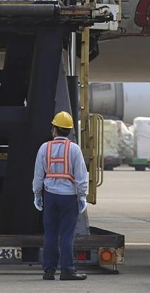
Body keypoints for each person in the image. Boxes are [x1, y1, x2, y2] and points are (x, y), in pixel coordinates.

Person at [32, 111, 89, 281]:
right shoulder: (74, 149)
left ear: (54, 130)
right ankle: (67, 271)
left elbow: (38, 175)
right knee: (66, 234)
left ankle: (48, 271)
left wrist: (37, 194)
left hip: (50, 196)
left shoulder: (44, 148)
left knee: (50, 233)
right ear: (70, 131)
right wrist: (82, 196)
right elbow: (81, 176)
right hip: (69, 197)